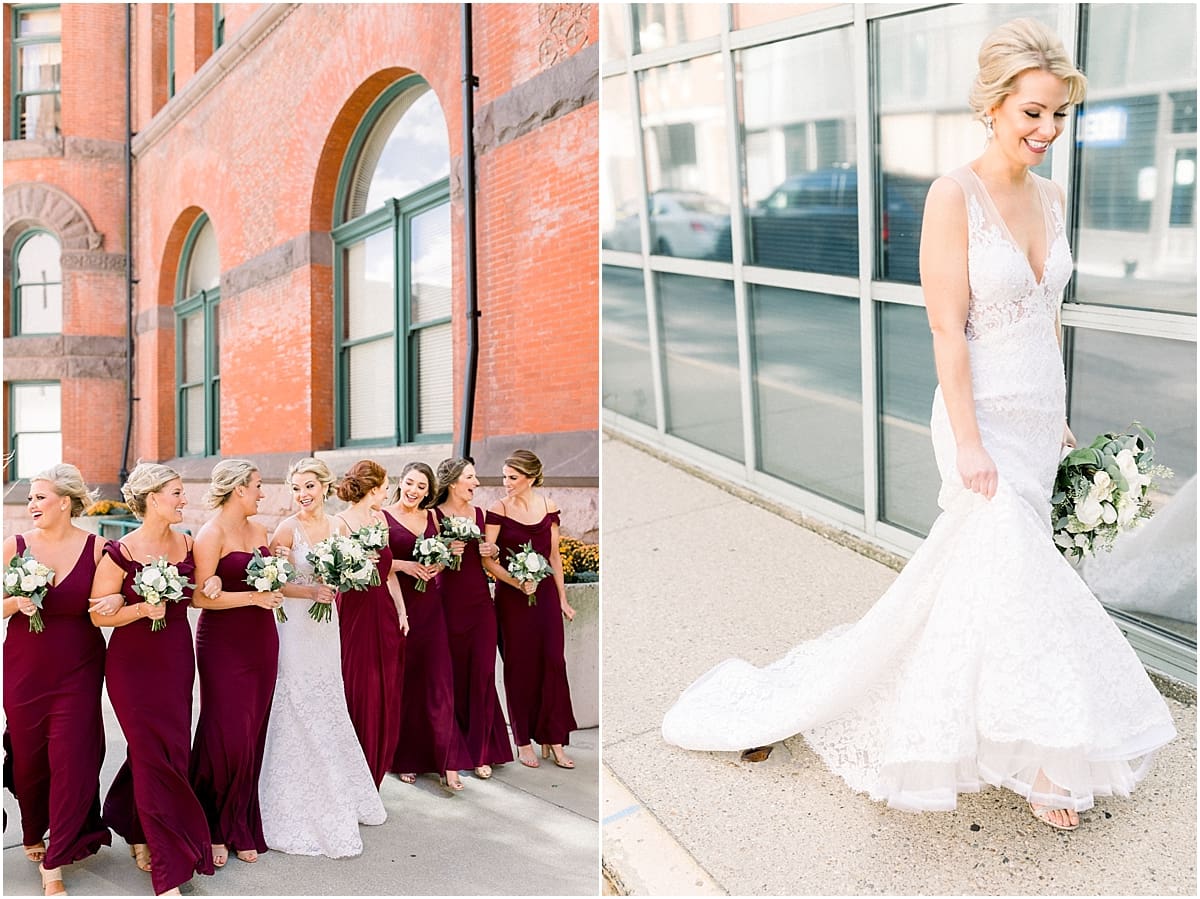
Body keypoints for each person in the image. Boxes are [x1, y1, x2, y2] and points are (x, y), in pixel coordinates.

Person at [661, 18, 1177, 831]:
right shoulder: (953, 196)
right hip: (980, 416)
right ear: (994, 105)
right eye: (1032, 114)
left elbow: (1046, 315)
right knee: (1020, 569)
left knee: (992, 580)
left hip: (1039, 420)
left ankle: (971, 710)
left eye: (1058, 117)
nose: (1046, 132)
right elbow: (946, 330)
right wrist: (968, 440)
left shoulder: (1050, 195)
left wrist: (1064, 418)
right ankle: (1050, 752)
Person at [90, 462, 215, 895]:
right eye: (177, 493)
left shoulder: (188, 542)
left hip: (177, 659)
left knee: (171, 752)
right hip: (133, 666)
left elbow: (200, 590)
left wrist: (214, 581)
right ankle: (170, 866)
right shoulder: (120, 551)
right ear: (152, 499)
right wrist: (142, 609)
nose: (184, 500)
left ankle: (130, 821)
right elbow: (96, 612)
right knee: (151, 752)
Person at [259, 458, 386, 856]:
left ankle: (338, 788)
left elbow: (363, 570)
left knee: (328, 698)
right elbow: (275, 583)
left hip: (326, 626)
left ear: (325, 487)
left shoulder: (339, 526)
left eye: (309, 486)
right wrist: (312, 591)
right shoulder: (285, 528)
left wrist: (352, 573)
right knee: (296, 698)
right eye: (296, 488)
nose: (303, 495)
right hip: (295, 626)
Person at [3, 464, 111, 895]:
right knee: (30, 761)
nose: (31, 505)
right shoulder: (15, 545)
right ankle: (33, 828)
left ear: (65, 502)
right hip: (26, 669)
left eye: (40, 497)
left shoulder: (100, 547)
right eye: (29, 498)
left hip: (79, 667)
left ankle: (57, 856)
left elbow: (110, 602)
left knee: (72, 757)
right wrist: (17, 601)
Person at [189, 459, 281, 866]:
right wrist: (251, 598)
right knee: (226, 733)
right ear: (238, 488)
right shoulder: (210, 533)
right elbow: (199, 597)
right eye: (258, 486)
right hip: (223, 644)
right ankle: (210, 824)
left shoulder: (261, 531)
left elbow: (271, 582)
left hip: (262, 640)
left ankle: (241, 822)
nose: (263, 493)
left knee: (253, 733)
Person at [483, 449, 577, 770]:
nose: (506, 483)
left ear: (531, 478)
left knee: (553, 661)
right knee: (519, 667)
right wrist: (517, 583)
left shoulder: (549, 507)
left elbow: (554, 557)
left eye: (513, 477)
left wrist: (562, 599)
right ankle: (523, 740)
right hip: (513, 600)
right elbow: (488, 560)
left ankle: (554, 738)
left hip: (546, 595)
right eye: (504, 476)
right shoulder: (498, 509)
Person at [382, 461, 472, 791]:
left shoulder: (432, 517)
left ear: (428, 491)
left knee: (438, 679)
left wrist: (440, 560)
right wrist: (407, 566)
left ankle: (447, 760)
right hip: (399, 605)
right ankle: (405, 759)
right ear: (400, 482)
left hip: (431, 606)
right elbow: (381, 563)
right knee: (406, 681)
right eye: (409, 483)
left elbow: (444, 558)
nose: (414, 491)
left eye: (421, 486)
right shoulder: (383, 516)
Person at [432, 457, 514, 779]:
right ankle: (454, 747)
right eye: (471, 477)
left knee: (482, 673)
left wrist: (490, 552)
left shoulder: (480, 515)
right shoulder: (434, 517)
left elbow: (486, 558)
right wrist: (441, 549)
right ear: (453, 483)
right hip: (447, 604)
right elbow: (421, 555)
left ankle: (481, 752)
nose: (477, 483)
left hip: (481, 603)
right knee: (452, 675)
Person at [334, 460, 409, 787]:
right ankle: (353, 775)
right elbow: (332, 575)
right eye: (386, 484)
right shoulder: (339, 523)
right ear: (374, 488)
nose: (388, 489)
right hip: (354, 611)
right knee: (358, 689)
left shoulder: (379, 519)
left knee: (386, 690)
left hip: (384, 610)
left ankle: (375, 773)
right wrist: (356, 562)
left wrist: (402, 610)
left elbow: (389, 570)